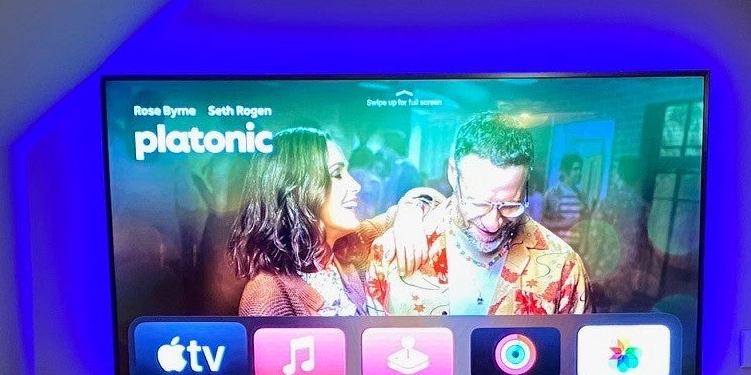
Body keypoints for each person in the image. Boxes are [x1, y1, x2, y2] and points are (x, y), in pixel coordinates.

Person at [368, 112, 589, 320]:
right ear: (453, 174)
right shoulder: (389, 254)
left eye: (510, 205)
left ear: (526, 185)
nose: (493, 224)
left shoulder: (563, 267)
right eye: (478, 203)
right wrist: (413, 205)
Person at [232, 128, 380, 318]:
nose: (355, 186)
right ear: (298, 190)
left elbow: (404, 210)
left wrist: (409, 214)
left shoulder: (350, 246)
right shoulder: (267, 297)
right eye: (337, 174)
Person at [538, 154, 587, 237]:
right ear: (565, 171)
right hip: (559, 242)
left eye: (580, 169)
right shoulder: (552, 194)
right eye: (575, 169)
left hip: (577, 243)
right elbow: (542, 223)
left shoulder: (581, 195)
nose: (579, 173)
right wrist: (566, 223)